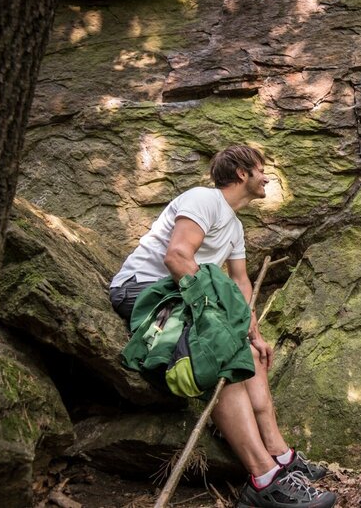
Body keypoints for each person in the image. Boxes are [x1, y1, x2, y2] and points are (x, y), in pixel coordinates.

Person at [109, 145, 336, 508]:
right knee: (218, 353)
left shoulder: (234, 225)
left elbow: (241, 283)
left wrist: (254, 335)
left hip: (186, 296)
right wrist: (214, 317)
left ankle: (280, 454)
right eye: (262, 170)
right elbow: (177, 256)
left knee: (250, 355)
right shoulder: (203, 199)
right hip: (145, 288)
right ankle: (264, 481)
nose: (267, 177)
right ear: (243, 173)